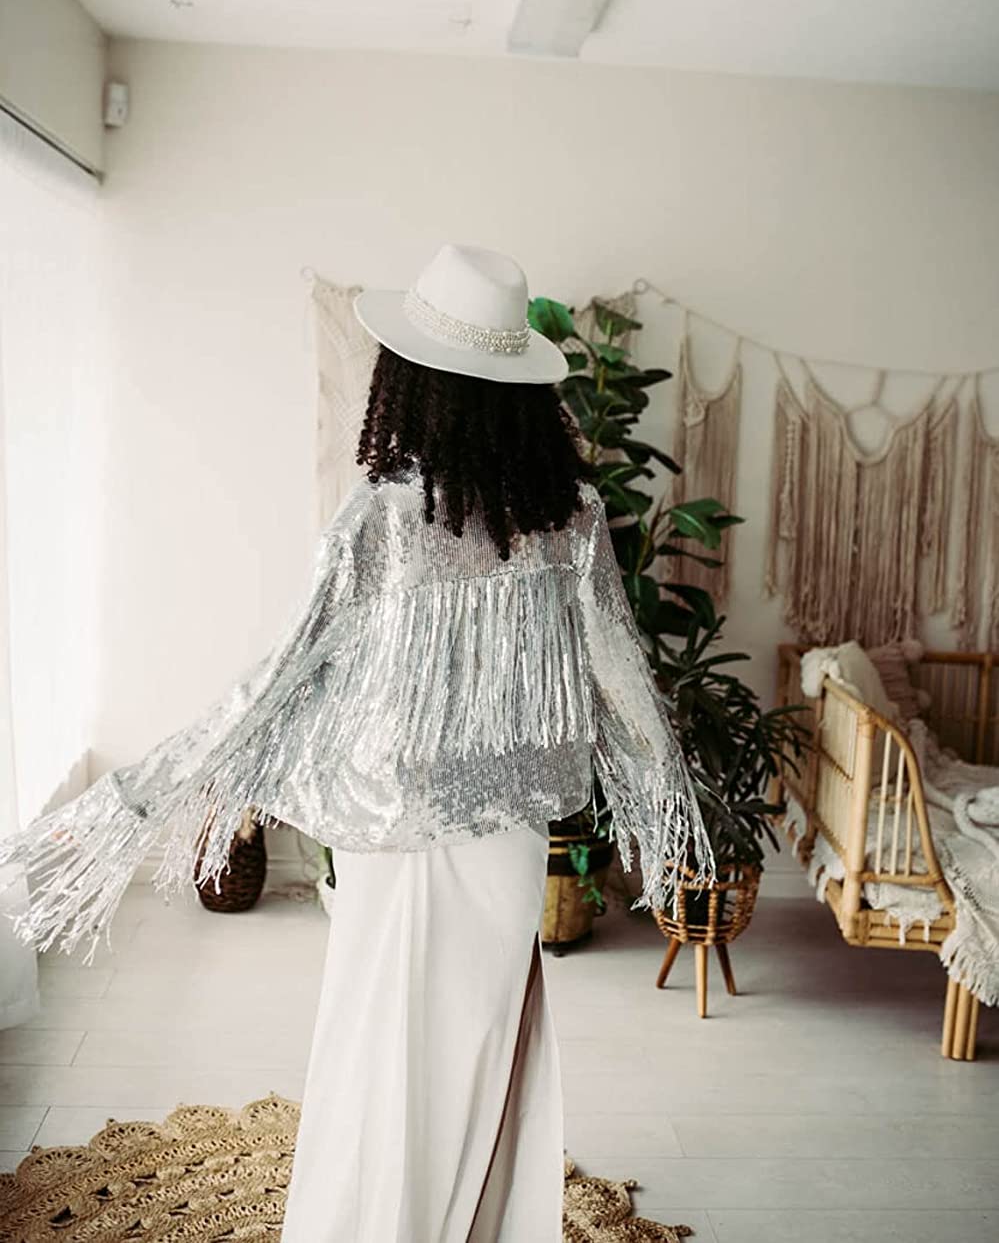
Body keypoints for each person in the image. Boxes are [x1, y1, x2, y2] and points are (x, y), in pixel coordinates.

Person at [0, 243, 713, 1242]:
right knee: (480, 1042)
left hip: (393, 829)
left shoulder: (384, 516)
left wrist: (133, 796)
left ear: (414, 386)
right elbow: (621, 678)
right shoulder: (572, 515)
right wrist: (666, 806)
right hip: (510, 835)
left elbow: (281, 676)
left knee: (383, 1042)